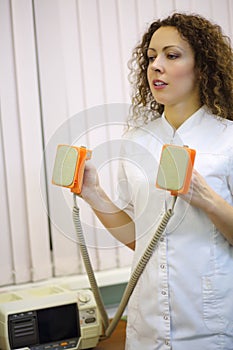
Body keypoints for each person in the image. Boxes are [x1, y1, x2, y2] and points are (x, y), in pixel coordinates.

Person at [77, 12, 233, 350]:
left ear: (202, 67)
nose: (155, 66)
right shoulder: (135, 141)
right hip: (146, 331)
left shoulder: (229, 140)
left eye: (171, 55)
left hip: (211, 329)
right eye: (150, 57)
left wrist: (206, 198)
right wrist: (94, 194)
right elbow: (141, 241)